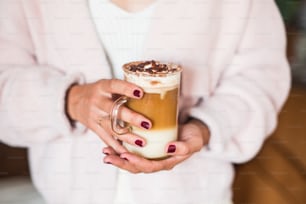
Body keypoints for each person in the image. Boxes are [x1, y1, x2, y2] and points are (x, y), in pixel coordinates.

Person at [0, 0, 290, 203]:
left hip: (196, 196)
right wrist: (71, 100)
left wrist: (205, 126)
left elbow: (260, 81)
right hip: (65, 195)